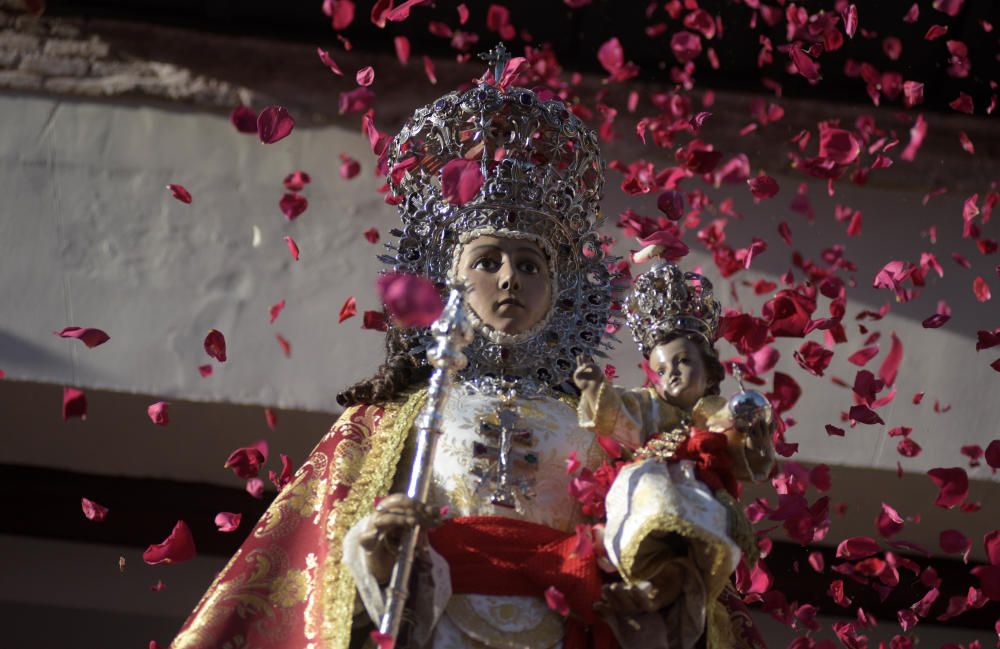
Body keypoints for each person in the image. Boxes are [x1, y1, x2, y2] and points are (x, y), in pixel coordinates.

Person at [170, 48, 767, 649]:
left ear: (562, 291)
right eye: (487, 261)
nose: (510, 279)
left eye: (530, 264)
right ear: (444, 280)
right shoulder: (393, 423)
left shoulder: (598, 416)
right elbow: (333, 560)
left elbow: (644, 539)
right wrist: (374, 551)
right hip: (440, 621)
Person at [574, 261, 776, 649]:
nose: (672, 375)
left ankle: (668, 585)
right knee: (643, 484)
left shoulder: (722, 411)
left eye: (683, 362)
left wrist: (757, 443)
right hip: (651, 498)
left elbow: (749, 461)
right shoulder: (650, 407)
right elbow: (616, 413)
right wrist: (595, 389)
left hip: (704, 500)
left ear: (710, 371)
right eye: (661, 369)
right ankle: (653, 583)